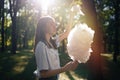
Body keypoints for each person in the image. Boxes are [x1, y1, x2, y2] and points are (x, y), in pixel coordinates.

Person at [34, 16, 78, 80]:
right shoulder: (41, 46)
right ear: (43, 27)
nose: (55, 26)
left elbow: (67, 33)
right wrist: (64, 69)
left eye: (55, 24)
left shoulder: (53, 42)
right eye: (51, 24)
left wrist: (72, 14)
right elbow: (43, 74)